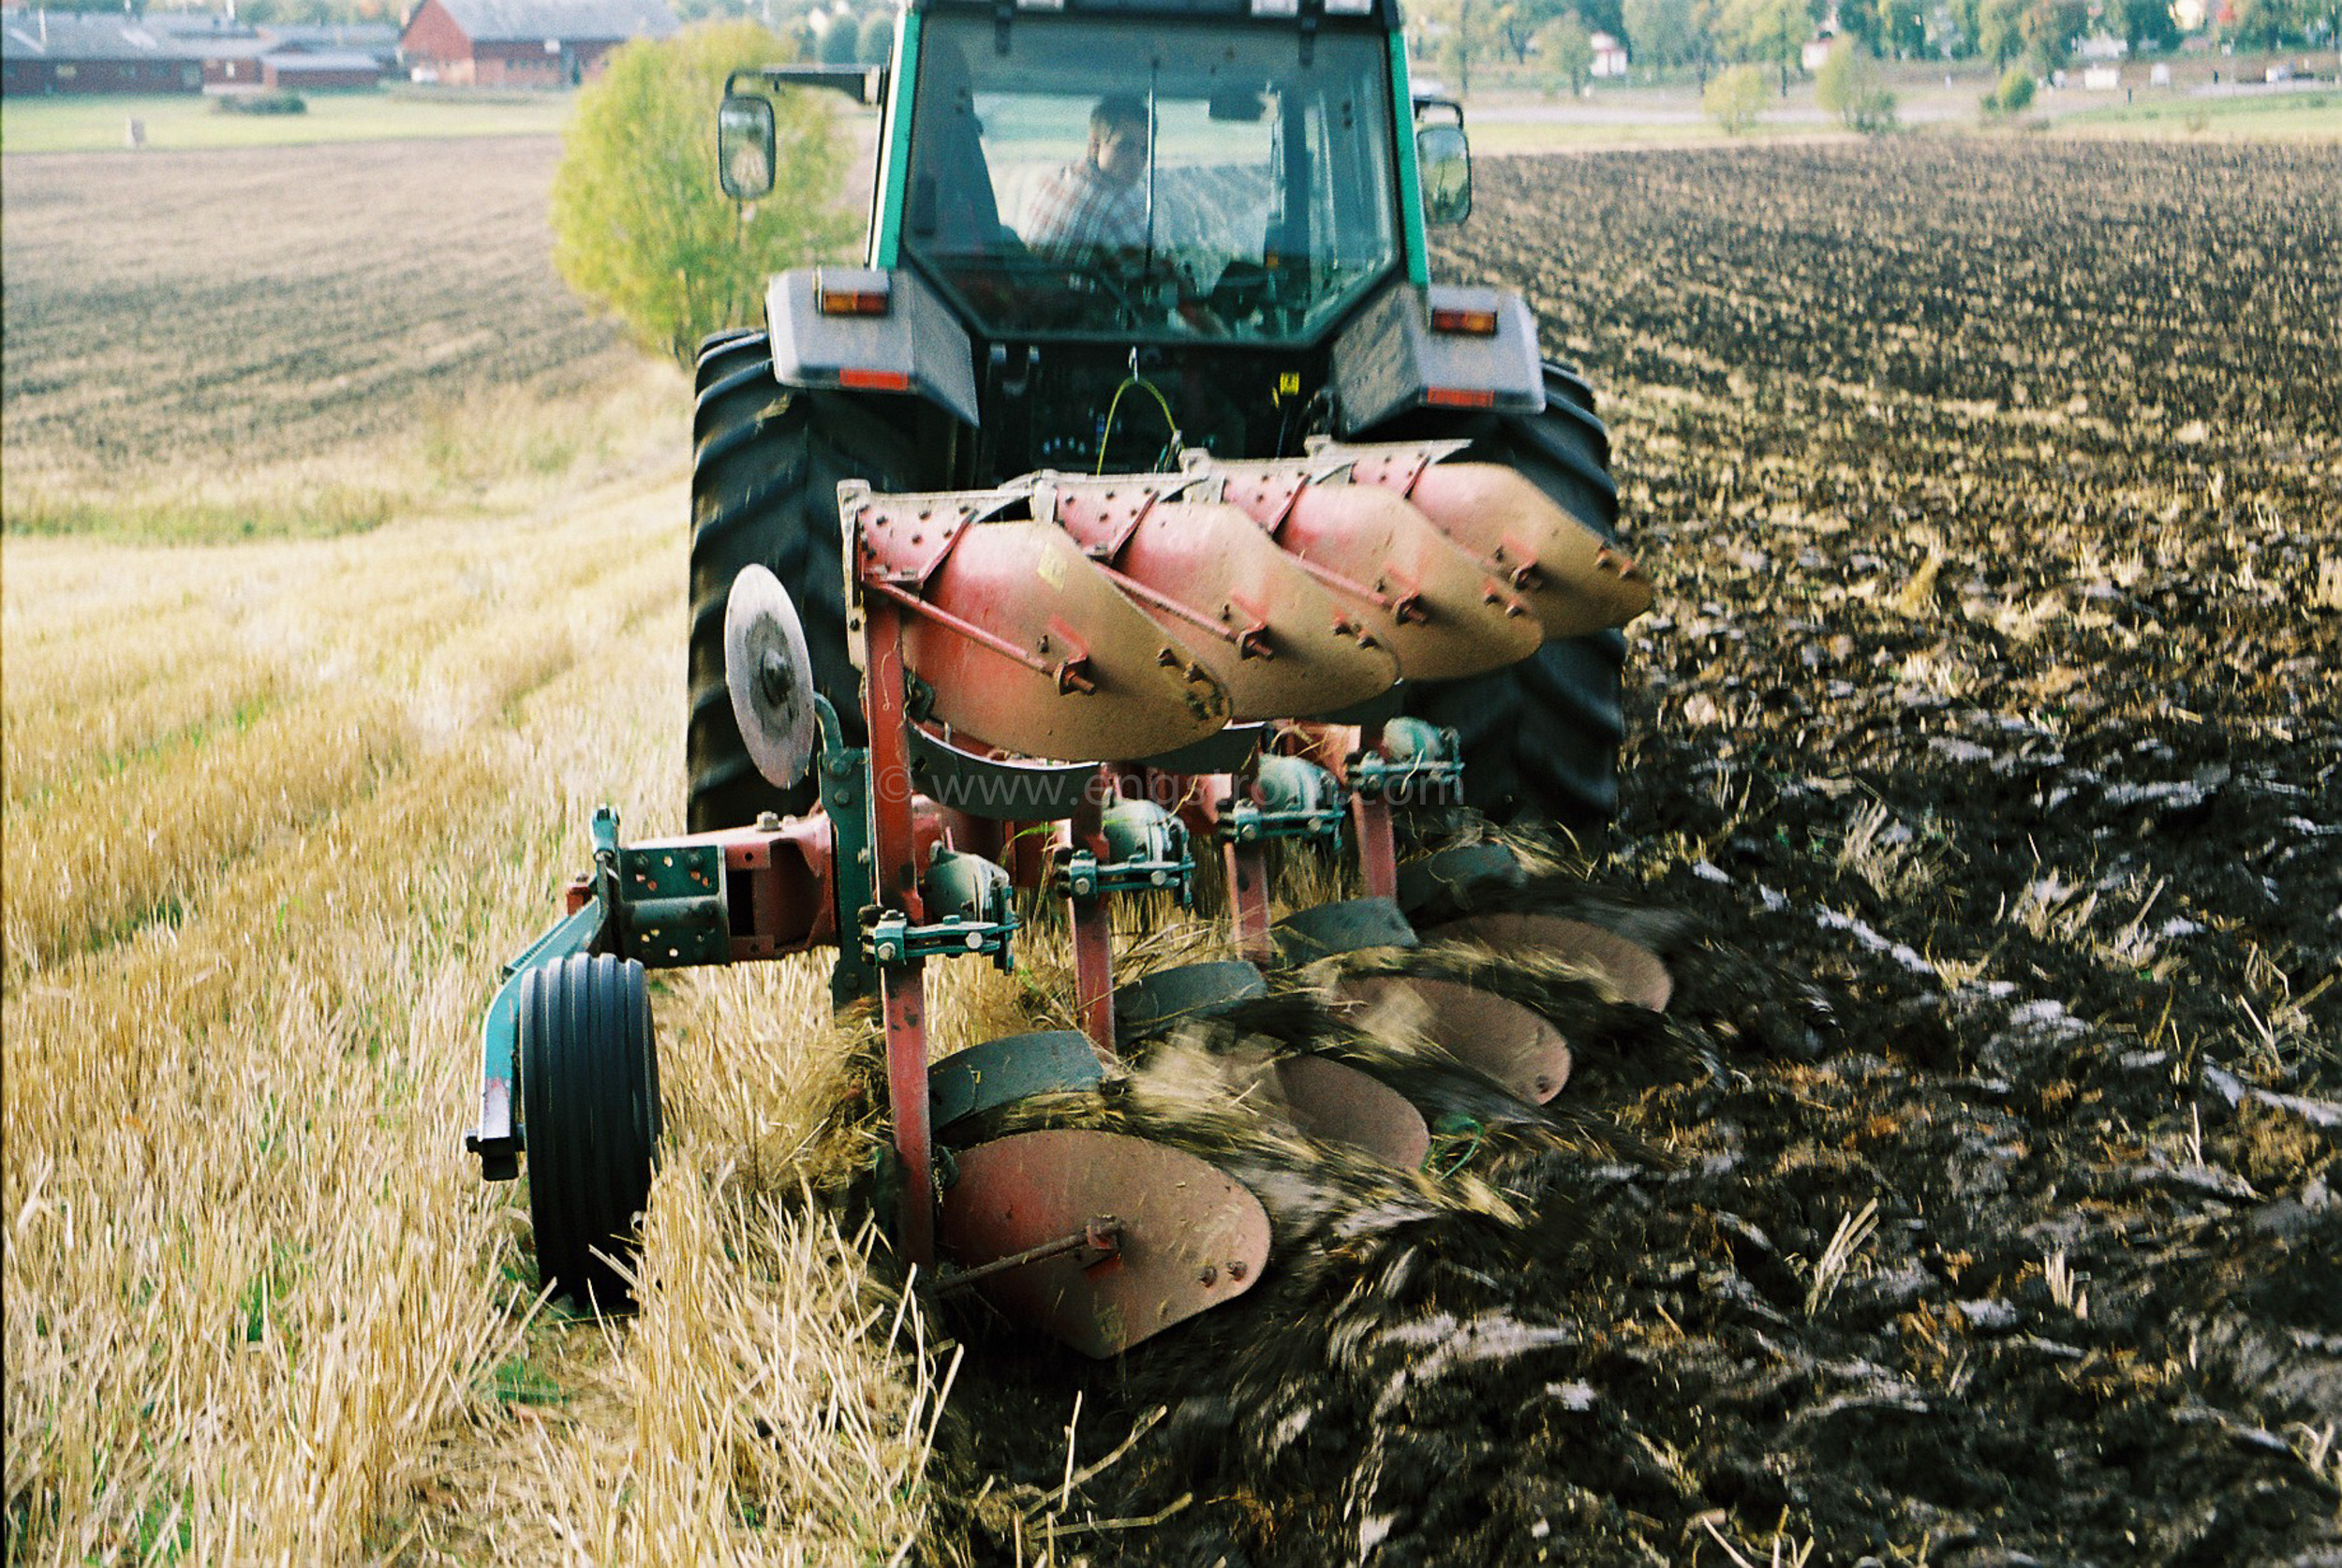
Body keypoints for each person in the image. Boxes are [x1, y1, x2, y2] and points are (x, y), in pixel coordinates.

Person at [1023, 95, 1151, 257]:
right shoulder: (1119, 207)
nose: (1138, 161)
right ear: (1095, 146)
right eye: (1125, 147)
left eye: (1145, 150)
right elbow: (1153, 275)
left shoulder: (1052, 179)